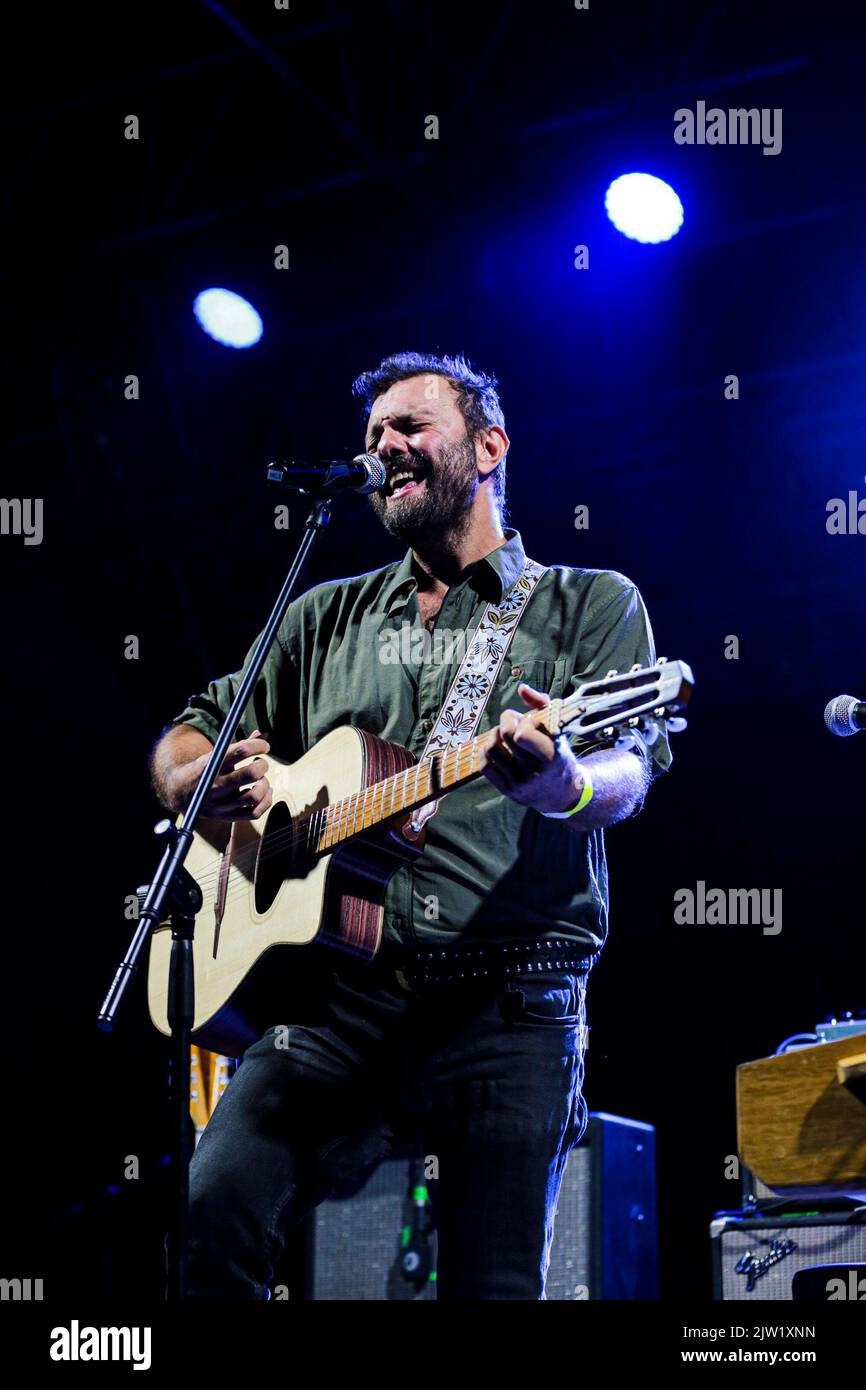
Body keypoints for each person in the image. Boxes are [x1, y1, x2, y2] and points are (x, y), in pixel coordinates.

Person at [150, 351, 671, 1300]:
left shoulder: (589, 603)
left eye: (409, 426)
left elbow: (630, 768)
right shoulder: (324, 617)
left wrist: (562, 784)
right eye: (372, 435)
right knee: (210, 1215)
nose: (384, 446)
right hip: (339, 999)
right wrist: (196, 788)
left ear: (488, 446)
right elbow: (189, 735)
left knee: (492, 1287)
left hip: (509, 999)